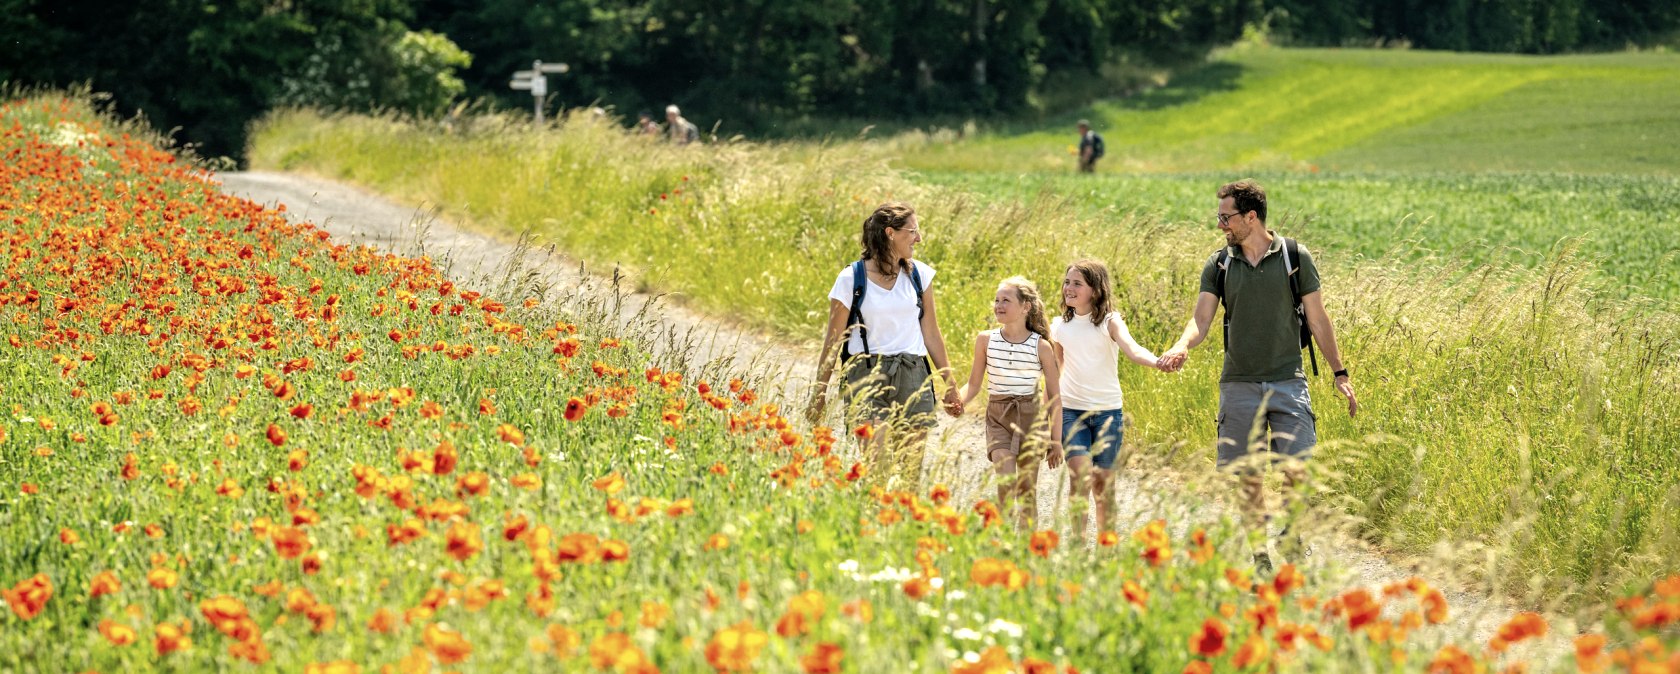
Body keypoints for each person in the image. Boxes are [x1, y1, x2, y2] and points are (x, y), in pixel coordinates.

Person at [1156, 179, 1358, 566]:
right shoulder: (1219, 264)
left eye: (1226, 218)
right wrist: (1182, 345)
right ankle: (1260, 556)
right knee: (1248, 479)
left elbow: (1317, 319)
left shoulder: (1294, 257)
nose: (1221, 226)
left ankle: (1291, 534)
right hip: (1239, 385)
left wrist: (1340, 372)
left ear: (1251, 217)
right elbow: (1201, 319)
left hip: (1288, 381)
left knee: (1299, 468)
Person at [807, 202, 963, 487]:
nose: (919, 238)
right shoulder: (850, 279)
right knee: (877, 467)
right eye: (913, 231)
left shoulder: (920, 276)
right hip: (864, 375)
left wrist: (950, 384)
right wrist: (819, 393)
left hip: (913, 373)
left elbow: (931, 332)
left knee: (910, 471)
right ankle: (876, 525)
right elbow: (833, 343)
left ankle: (905, 528)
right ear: (890, 233)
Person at [1050, 260, 1161, 544]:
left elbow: (1133, 350)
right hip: (1072, 411)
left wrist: (1158, 362)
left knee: (1103, 485)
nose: (1069, 288)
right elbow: (1056, 370)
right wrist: (1049, 409)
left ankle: (1107, 546)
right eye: (1067, 282)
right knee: (1079, 475)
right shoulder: (1059, 326)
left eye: (1077, 284)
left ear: (1095, 291)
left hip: (1107, 413)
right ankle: (1077, 544)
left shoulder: (1110, 322)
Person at [957, 277, 1063, 530]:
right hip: (998, 416)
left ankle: (1027, 551)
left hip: (1031, 418)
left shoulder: (1041, 346)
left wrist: (1056, 440)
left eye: (1006, 300)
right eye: (996, 300)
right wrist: (957, 401)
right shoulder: (985, 340)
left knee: (1027, 492)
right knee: (1005, 484)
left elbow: (1055, 397)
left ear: (1026, 307)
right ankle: (1003, 539)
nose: (998, 305)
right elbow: (973, 384)